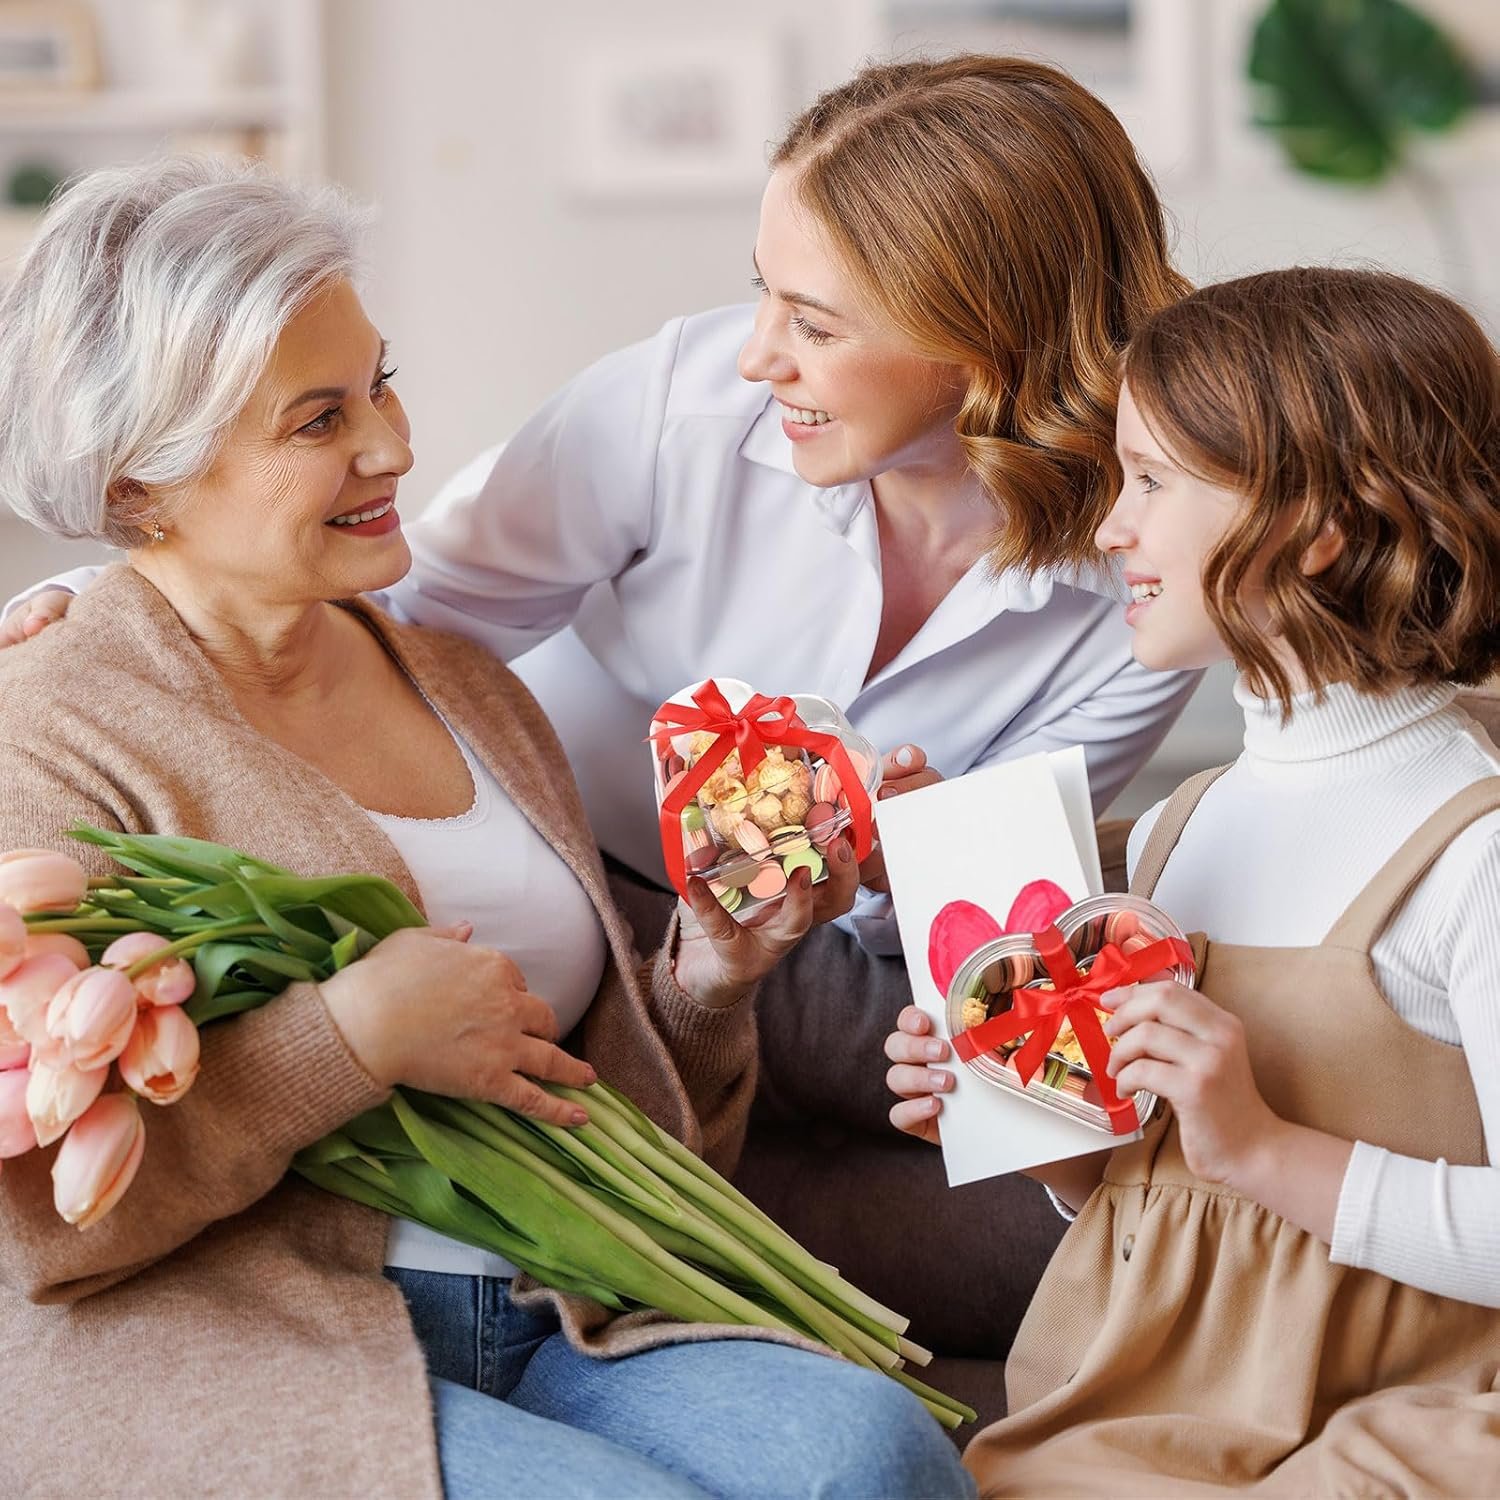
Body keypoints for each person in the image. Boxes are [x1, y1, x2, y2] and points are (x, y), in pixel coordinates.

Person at [0, 156, 973, 1500]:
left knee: (873, 1456)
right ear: (138, 486)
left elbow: (605, 1122)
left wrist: (705, 979)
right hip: (251, 1344)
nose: (395, 445)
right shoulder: (53, 723)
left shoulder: (464, 685)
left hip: (560, 1302)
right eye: (317, 420)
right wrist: (345, 1041)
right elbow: (38, 1227)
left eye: (381, 382)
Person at [4, 55, 1199, 1136]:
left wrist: (911, 853)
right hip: (597, 899)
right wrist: (123, 585)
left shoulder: (1145, 581)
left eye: (815, 323)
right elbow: (400, 595)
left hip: (853, 964)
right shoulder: (685, 406)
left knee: (1075, 1214)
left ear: (981, 342)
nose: (757, 353)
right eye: (763, 294)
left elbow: (980, 930)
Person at [887, 266, 1500, 1493]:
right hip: (1141, 1411)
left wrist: (1262, 1147)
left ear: (1316, 528)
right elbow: (1156, 1208)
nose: (1112, 528)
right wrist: (1038, 1119)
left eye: (1154, 482)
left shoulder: (1470, 845)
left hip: (1394, 1421)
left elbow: (1242, 1167)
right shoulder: (1176, 829)